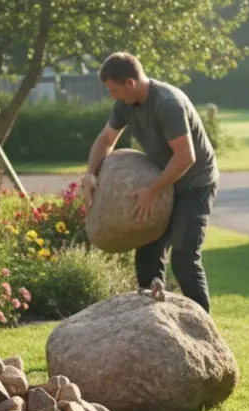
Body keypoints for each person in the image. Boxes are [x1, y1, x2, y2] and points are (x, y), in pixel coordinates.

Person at [82, 52, 219, 314]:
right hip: (163, 181)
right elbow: (106, 140)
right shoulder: (125, 104)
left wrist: (152, 191)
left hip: (195, 184)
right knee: (147, 254)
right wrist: (90, 172)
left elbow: (186, 157)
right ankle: (152, 321)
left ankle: (203, 329)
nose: (112, 96)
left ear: (130, 84)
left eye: (114, 89)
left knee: (184, 256)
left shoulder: (168, 104)